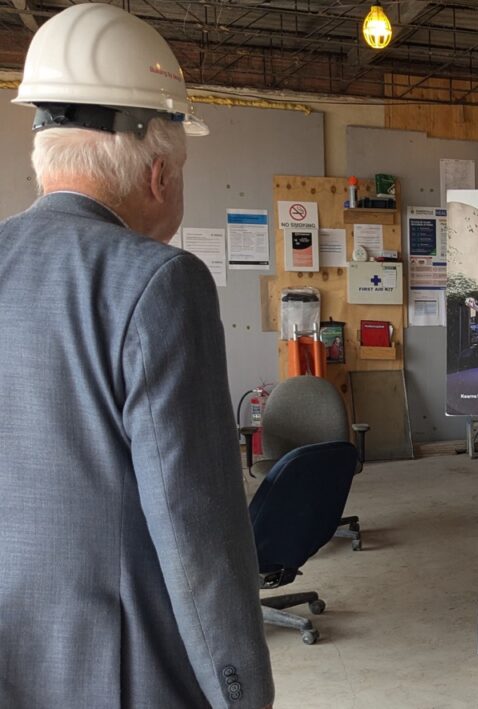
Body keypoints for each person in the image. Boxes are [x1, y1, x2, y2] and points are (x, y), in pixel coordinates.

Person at [0, 5, 274, 708]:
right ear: (158, 174)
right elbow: (197, 531)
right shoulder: (158, 282)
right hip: (124, 674)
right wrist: (240, 692)